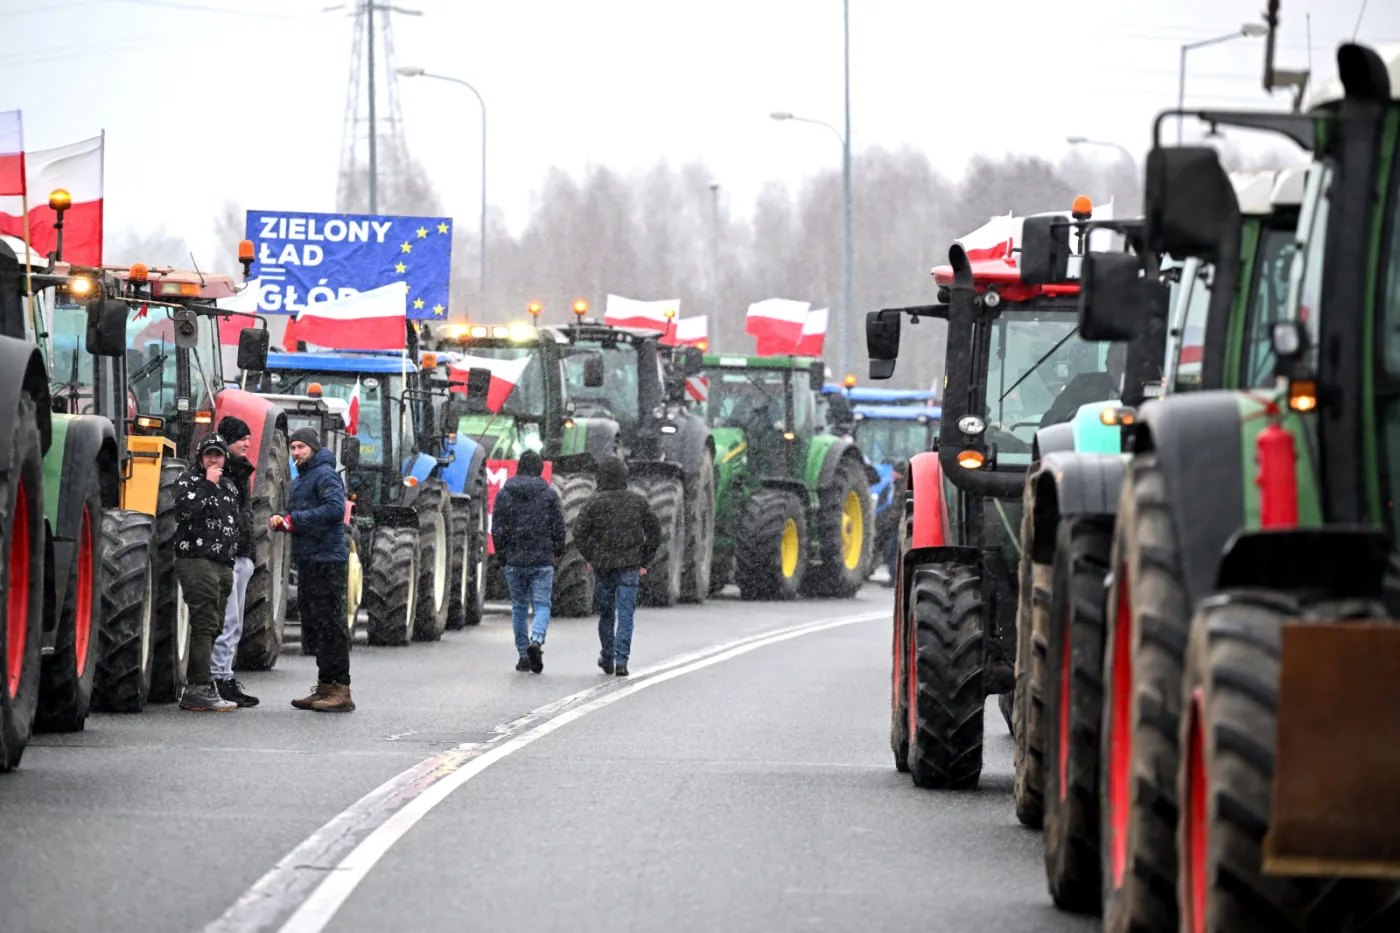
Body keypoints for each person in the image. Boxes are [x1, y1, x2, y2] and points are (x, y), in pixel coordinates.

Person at [272, 427, 353, 712]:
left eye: (300, 447)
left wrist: (295, 520)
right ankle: (325, 686)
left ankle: (342, 690)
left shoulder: (325, 475)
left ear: (313, 449)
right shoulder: (302, 478)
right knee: (317, 625)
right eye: (292, 448)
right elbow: (297, 511)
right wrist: (281, 518)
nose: (296, 453)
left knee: (332, 626)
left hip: (328, 560)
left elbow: (335, 510)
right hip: (309, 559)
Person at [573, 456, 661, 677]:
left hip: (603, 568)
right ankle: (622, 661)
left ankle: (608, 656)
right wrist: (644, 558)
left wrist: (592, 556)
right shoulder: (638, 502)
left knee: (606, 615)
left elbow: (578, 533)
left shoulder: (594, 503)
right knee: (626, 615)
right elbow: (655, 531)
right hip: (630, 567)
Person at [174, 434, 243, 712]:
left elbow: (236, 521)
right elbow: (184, 511)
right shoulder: (189, 481)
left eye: (218, 455)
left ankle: (204, 683)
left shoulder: (230, 486)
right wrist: (208, 484)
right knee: (204, 622)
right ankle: (198, 687)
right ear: (200, 458)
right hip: (196, 558)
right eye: (208, 455)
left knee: (215, 625)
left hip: (222, 562)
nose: (213, 460)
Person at [491, 449, 565, 673]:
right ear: (539, 469)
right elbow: (558, 528)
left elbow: (498, 529)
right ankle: (537, 640)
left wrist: (503, 556)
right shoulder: (549, 494)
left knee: (519, 607)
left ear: (519, 467)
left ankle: (523, 655)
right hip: (542, 560)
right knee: (542, 605)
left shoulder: (505, 493)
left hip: (514, 561)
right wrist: (557, 552)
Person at [209, 416, 259, 707]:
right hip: (229, 557)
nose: (247, 443)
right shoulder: (221, 474)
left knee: (235, 622)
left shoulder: (240, 473)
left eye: (248, 438)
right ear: (227, 441)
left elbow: (245, 516)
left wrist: (249, 553)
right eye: (242, 438)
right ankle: (218, 678)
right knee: (227, 621)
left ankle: (226, 676)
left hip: (241, 555)